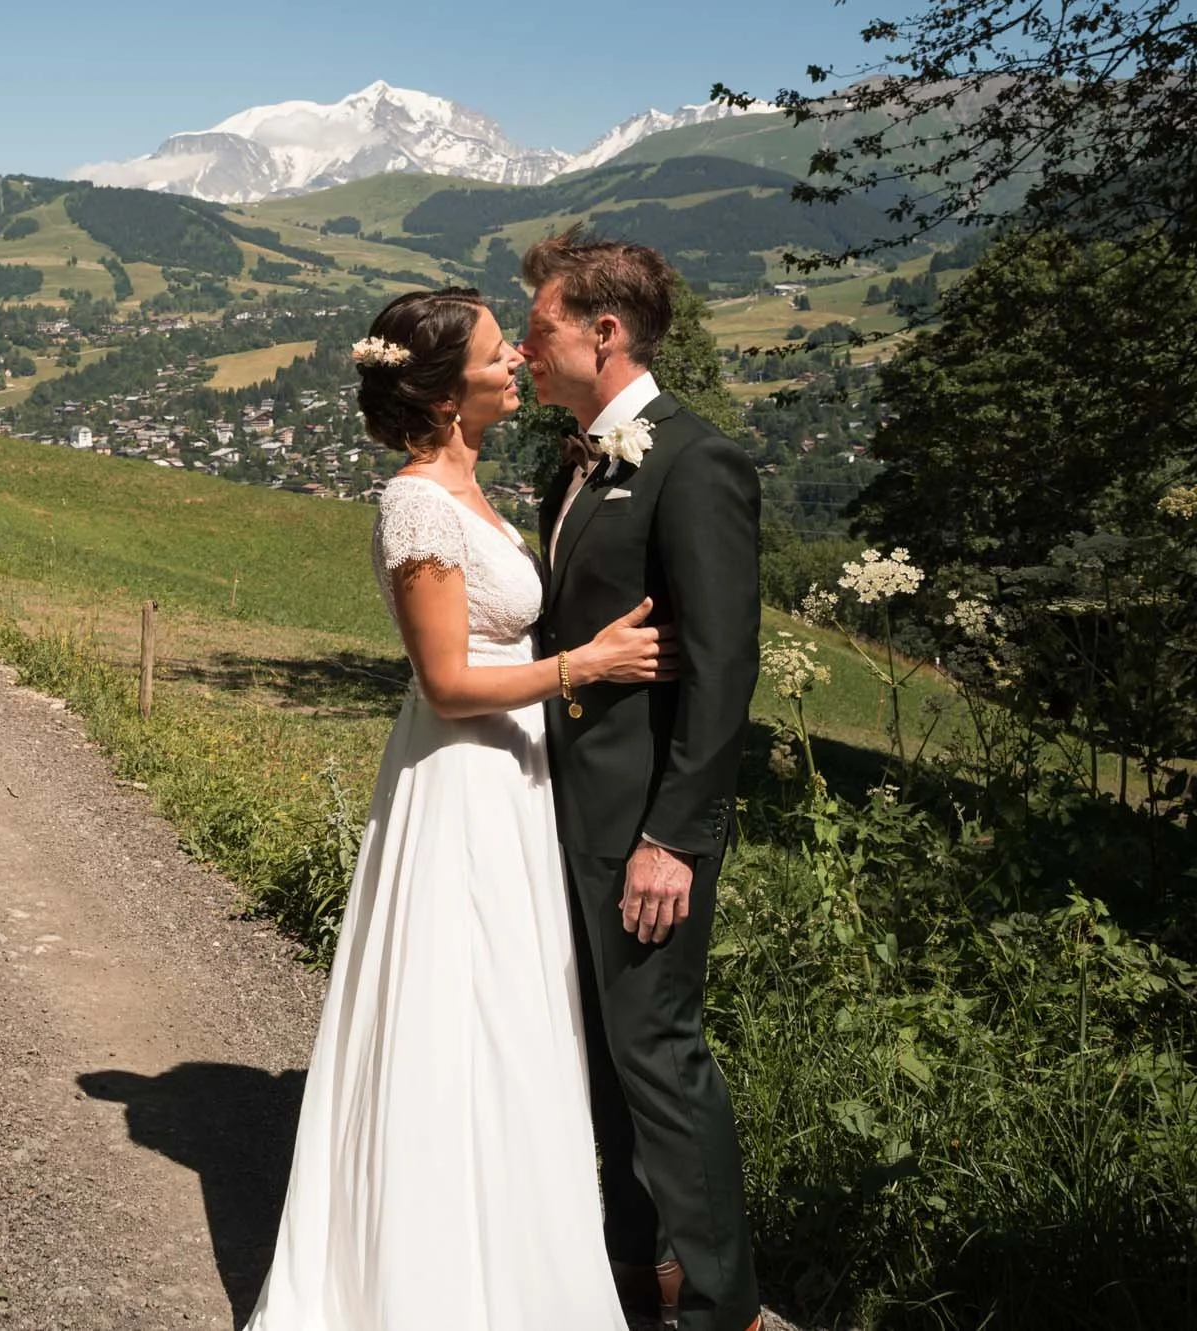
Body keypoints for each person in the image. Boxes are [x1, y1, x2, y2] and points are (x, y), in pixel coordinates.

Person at [245, 287, 676, 1330]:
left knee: (512, 1019)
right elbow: (445, 682)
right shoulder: (417, 505)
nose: (517, 359)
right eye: (495, 354)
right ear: (445, 397)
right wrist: (586, 664)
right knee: (459, 1013)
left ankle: (518, 1259)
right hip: (462, 779)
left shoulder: (471, 487)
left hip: (510, 780)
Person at [523, 228, 762, 1331]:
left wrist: (674, 837)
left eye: (540, 327)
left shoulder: (693, 462)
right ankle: (633, 1271)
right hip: (567, 811)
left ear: (604, 332)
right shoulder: (570, 460)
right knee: (603, 1055)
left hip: (647, 829)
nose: (525, 348)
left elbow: (720, 670)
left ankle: (721, 1304)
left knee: (657, 1053)